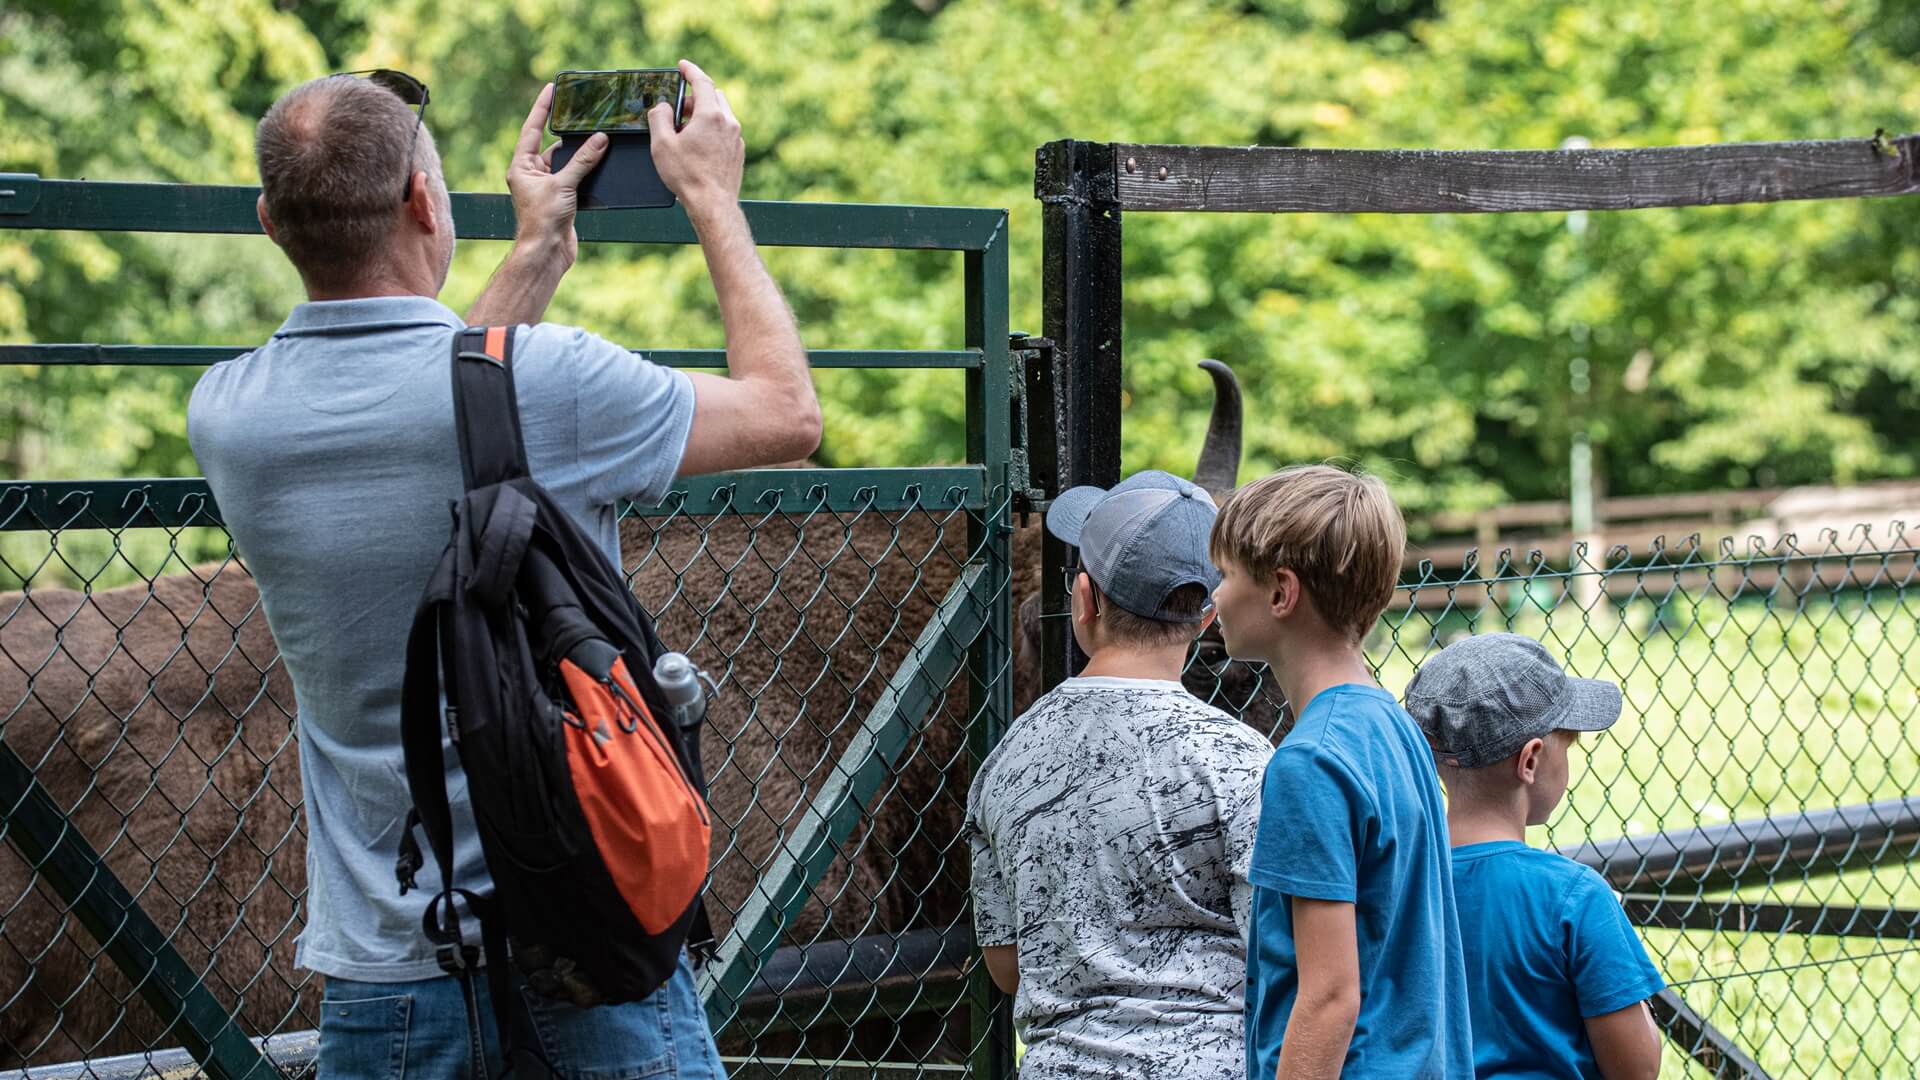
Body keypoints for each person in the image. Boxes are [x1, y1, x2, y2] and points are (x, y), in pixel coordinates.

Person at [188, 59, 818, 1077]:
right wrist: (712, 197)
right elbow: (787, 414)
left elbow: (441, 394)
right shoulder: (556, 382)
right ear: (425, 199)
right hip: (581, 948)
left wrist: (538, 250)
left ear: (268, 218)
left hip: (384, 980)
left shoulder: (229, 414)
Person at [964, 471, 1270, 1078]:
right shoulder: (1240, 758)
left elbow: (1005, 965)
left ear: (1083, 599)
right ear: (1207, 616)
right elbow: (1279, 947)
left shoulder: (1005, 761)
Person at [1208, 464, 1472, 1079]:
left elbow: (1329, 997)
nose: (1214, 595)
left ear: (1280, 592)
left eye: (1225, 576)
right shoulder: (1392, 726)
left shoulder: (1309, 763)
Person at [1404, 634, 1665, 1080]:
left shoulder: (1399, 884)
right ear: (1531, 761)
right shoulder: (1573, 897)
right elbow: (1637, 1067)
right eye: (1568, 744)